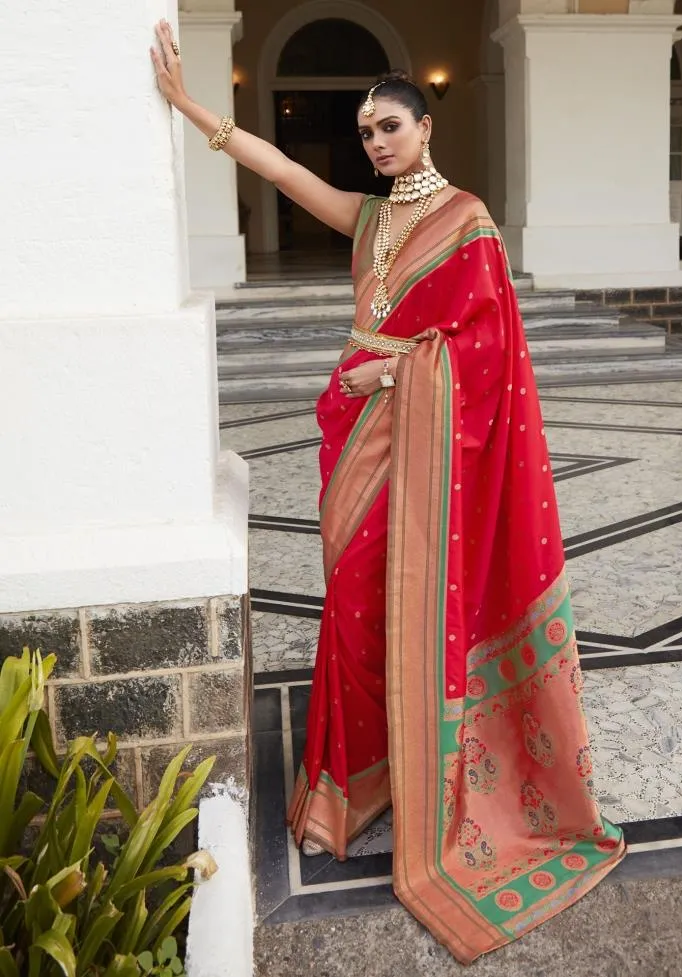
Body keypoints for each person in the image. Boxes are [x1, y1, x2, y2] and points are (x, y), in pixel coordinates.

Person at [151, 20, 625, 965]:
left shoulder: (469, 223)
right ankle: (355, 776)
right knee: (355, 604)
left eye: (388, 128)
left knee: (393, 598)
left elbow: (489, 358)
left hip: (413, 429)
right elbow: (284, 175)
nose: (374, 142)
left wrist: (399, 375)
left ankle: (417, 775)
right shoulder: (371, 219)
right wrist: (194, 109)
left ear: (423, 130)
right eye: (365, 130)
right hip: (354, 432)